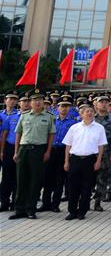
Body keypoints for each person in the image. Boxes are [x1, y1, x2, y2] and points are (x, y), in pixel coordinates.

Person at [9, 90, 55, 220]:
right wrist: (16, 151)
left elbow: (51, 135)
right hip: (24, 150)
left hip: (39, 150)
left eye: (40, 99)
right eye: (35, 100)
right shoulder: (24, 116)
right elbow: (18, 133)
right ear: (31, 102)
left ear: (43, 102)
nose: (38, 102)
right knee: (21, 180)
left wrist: (48, 152)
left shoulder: (49, 116)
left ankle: (31, 209)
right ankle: (19, 210)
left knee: (35, 181)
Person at [62, 103, 107, 220]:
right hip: (75, 159)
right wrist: (66, 161)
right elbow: (68, 145)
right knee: (73, 187)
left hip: (90, 160)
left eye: (91, 111)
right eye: (87, 111)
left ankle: (82, 211)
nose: (90, 113)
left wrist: (98, 161)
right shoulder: (74, 128)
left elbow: (101, 146)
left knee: (87, 188)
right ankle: (72, 211)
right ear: (81, 114)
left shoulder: (99, 128)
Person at [40, 97, 76, 212]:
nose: (64, 108)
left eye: (66, 106)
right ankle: (45, 203)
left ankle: (55, 204)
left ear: (69, 108)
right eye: (62, 106)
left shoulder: (73, 122)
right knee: (47, 178)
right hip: (50, 149)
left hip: (63, 151)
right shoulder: (51, 118)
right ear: (57, 107)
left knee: (59, 179)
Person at [92, 95, 111, 209]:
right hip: (90, 152)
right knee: (89, 178)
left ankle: (98, 201)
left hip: (106, 153)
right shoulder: (90, 117)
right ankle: (85, 200)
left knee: (102, 178)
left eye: (106, 102)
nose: (104, 104)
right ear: (96, 104)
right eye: (101, 102)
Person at [0, 93, 22, 211]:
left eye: (15, 100)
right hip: (6, 148)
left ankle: (14, 202)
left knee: (16, 177)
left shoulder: (18, 116)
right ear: (5, 100)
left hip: (17, 148)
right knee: (6, 177)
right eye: (10, 99)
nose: (12, 101)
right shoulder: (0, 114)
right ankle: (4, 202)